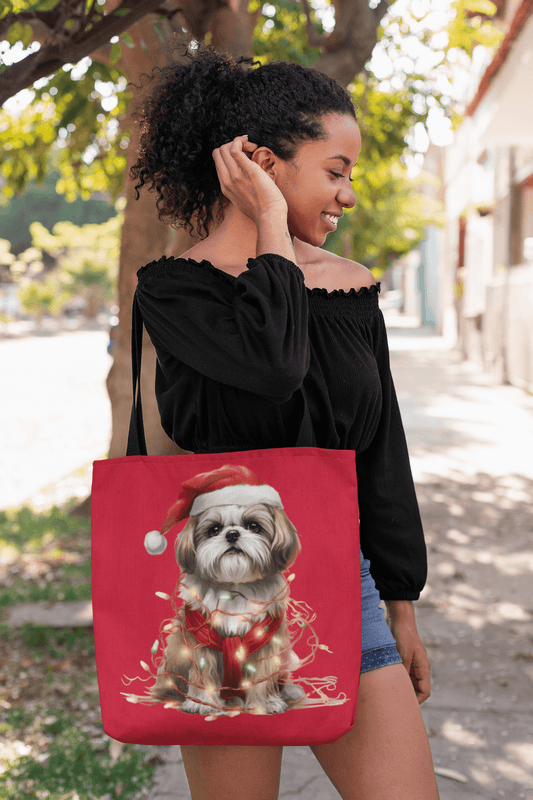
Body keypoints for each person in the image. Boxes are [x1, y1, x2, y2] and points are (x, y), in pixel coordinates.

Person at [130, 41, 440, 800]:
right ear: (260, 165)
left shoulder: (351, 291)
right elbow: (273, 370)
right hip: (216, 604)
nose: (348, 196)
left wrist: (400, 602)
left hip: (345, 580)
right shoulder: (177, 294)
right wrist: (271, 224)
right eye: (334, 172)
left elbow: (379, 453)